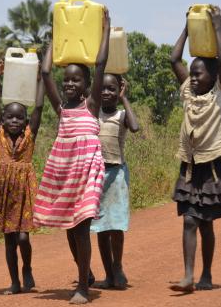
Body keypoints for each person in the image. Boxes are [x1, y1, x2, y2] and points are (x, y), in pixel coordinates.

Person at [33, 8, 111, 304]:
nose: (68, 84)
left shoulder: (90, 105)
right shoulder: (61, 109)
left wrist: (106, 29)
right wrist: (56, 36)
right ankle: (86, 271)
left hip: (88, 173)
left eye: (76, 81)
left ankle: (82, 286)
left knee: (81, 228)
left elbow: (101, 62)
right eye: (66, 80)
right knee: (69, 227)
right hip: (65, 172)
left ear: (86, 85)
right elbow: (43, 71)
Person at [169, 5, 221, 292]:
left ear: (213, 75)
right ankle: (188, 276)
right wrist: (187, 27)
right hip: (189, 167)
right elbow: (174, 58)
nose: (193, 78)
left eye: (198, 74)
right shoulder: (188, 93)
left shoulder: (220, 95)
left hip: (212, 169)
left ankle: (206, 273)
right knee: (190, 220)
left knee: (206, 224)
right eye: (191, 74)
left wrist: (218, 27)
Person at [0, 59, 44, 294]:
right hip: (4, 192)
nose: (14, 121)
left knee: (23, 239)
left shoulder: (30, 134)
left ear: (25, 121)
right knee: (9, 240)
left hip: (24, 192)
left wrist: (39, 81)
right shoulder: (0, 133)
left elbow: (39, 106)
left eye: (19, 118)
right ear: (2, 120)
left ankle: (27, 267)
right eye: (9, 117)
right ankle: (14, 282)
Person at [90, 74, 139, 290]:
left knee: (116, 226)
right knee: (101, 228)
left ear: (118, 90)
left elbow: (135, 127)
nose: (107, 93)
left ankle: (118, 267)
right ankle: (108, 274)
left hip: (117, 174)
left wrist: (124, 98)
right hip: (97, 176)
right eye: (103, 88)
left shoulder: (121, 116)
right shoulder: (93, 115)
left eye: (112, 89)